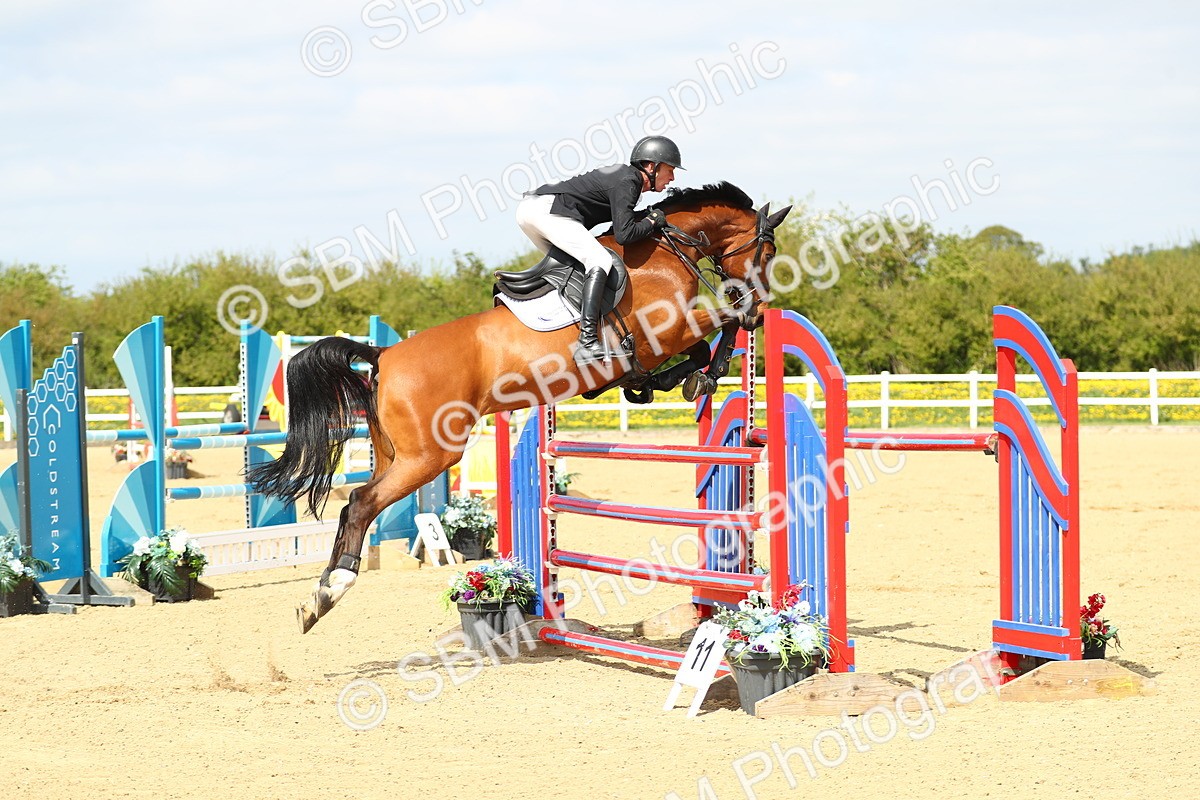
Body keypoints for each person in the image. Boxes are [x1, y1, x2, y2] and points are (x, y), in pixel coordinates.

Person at [516, 135, 683, 364]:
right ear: (652, 166)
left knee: (573, 268)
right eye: (670, 169)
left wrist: (645, 218)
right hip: (547, 211)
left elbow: (619, 225)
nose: (672, 178)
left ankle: (554, 325)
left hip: (534, 210)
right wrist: (653, 221)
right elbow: (624, 235)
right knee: (600, 260)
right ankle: (587, 342)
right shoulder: (629, 181)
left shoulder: (626, 179)